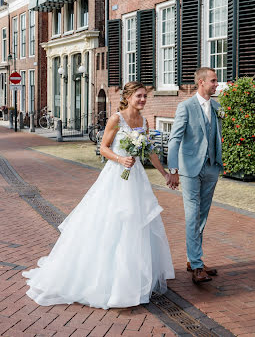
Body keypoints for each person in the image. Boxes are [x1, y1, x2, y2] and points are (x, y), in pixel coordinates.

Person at [22, 81, 174, 309]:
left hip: (137, 178)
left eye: (145, 97)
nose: (143, 100)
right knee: (113, 221)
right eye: (139, 96)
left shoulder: (144, 121)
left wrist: (165, 174)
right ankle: (106, 279)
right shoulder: (116, 118)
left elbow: (150, 150)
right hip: (116, 175)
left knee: (137, 222)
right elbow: (104, 148)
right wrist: (121, 159)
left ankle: (133, 278)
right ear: (129, 96)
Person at [167, 68, 223, 285]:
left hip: (211, 168)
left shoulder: (216, 107)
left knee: (202, 215)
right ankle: (197, 266)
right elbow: (175, 139)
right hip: (190, 170)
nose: (217, 84)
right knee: (192, 216)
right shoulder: (186, 107)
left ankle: (194, 259)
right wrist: (173, 170)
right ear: (201, 82)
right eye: (213, 81)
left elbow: (215, 135)